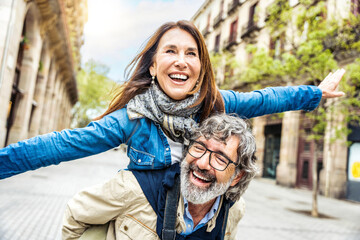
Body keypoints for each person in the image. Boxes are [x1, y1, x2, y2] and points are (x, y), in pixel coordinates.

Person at [0, 20, 345, 179]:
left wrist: (315, 93)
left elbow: (264, 99)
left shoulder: (215, 103)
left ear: (200, 67)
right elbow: (61, 145)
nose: (181, 60)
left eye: (191, 53)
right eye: (170, 51)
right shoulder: (131, 118)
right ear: (153, 66)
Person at [62, 114, 257, 240]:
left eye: (220, 159)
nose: (202, 163)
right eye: (199, 148)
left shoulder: (234, 209)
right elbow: (75, 214)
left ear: (237, 177)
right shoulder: (134, 188)